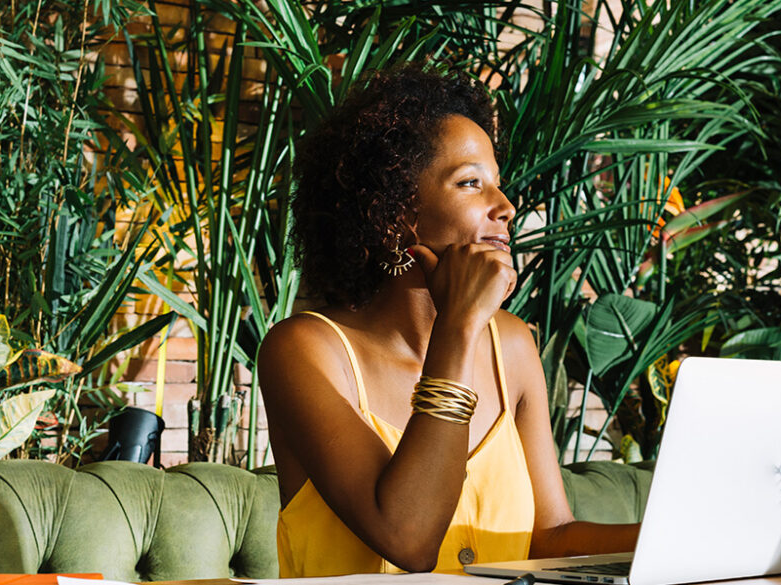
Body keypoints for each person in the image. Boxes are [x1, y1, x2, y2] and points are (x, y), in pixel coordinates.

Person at [257, 64, 639, 578]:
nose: (504, 207)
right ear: (394, 213)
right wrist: (457, 327)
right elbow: (407, 540)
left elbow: (550, 537)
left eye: (498, 186)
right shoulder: (305, 351)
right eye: (470, 183)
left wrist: (687, 532)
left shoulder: (512, 345)